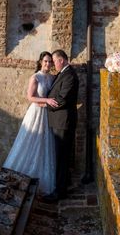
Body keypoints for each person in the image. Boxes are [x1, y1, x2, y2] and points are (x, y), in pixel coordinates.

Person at [3, 51, 59, 194]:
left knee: (44, 144)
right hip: (36, 113)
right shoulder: (36, 77)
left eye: (50, 62)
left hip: (47, 114)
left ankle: (41, 178)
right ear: (41, 62)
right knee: (31, 141)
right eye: (45, 61)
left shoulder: (52, 78)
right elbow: (30, 97)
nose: (48, 64)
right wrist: (46, 100)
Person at [43, 49, 79, 202]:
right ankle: (65, 183)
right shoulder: (63, 74)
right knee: (62, 156)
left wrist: (46, 105)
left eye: (54, 61)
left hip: (63, 123)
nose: (53, 65)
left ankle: (59, 192)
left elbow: (62, 99)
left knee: (62, 158)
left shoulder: (70, 75)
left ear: (61, 60)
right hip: (59, 121)